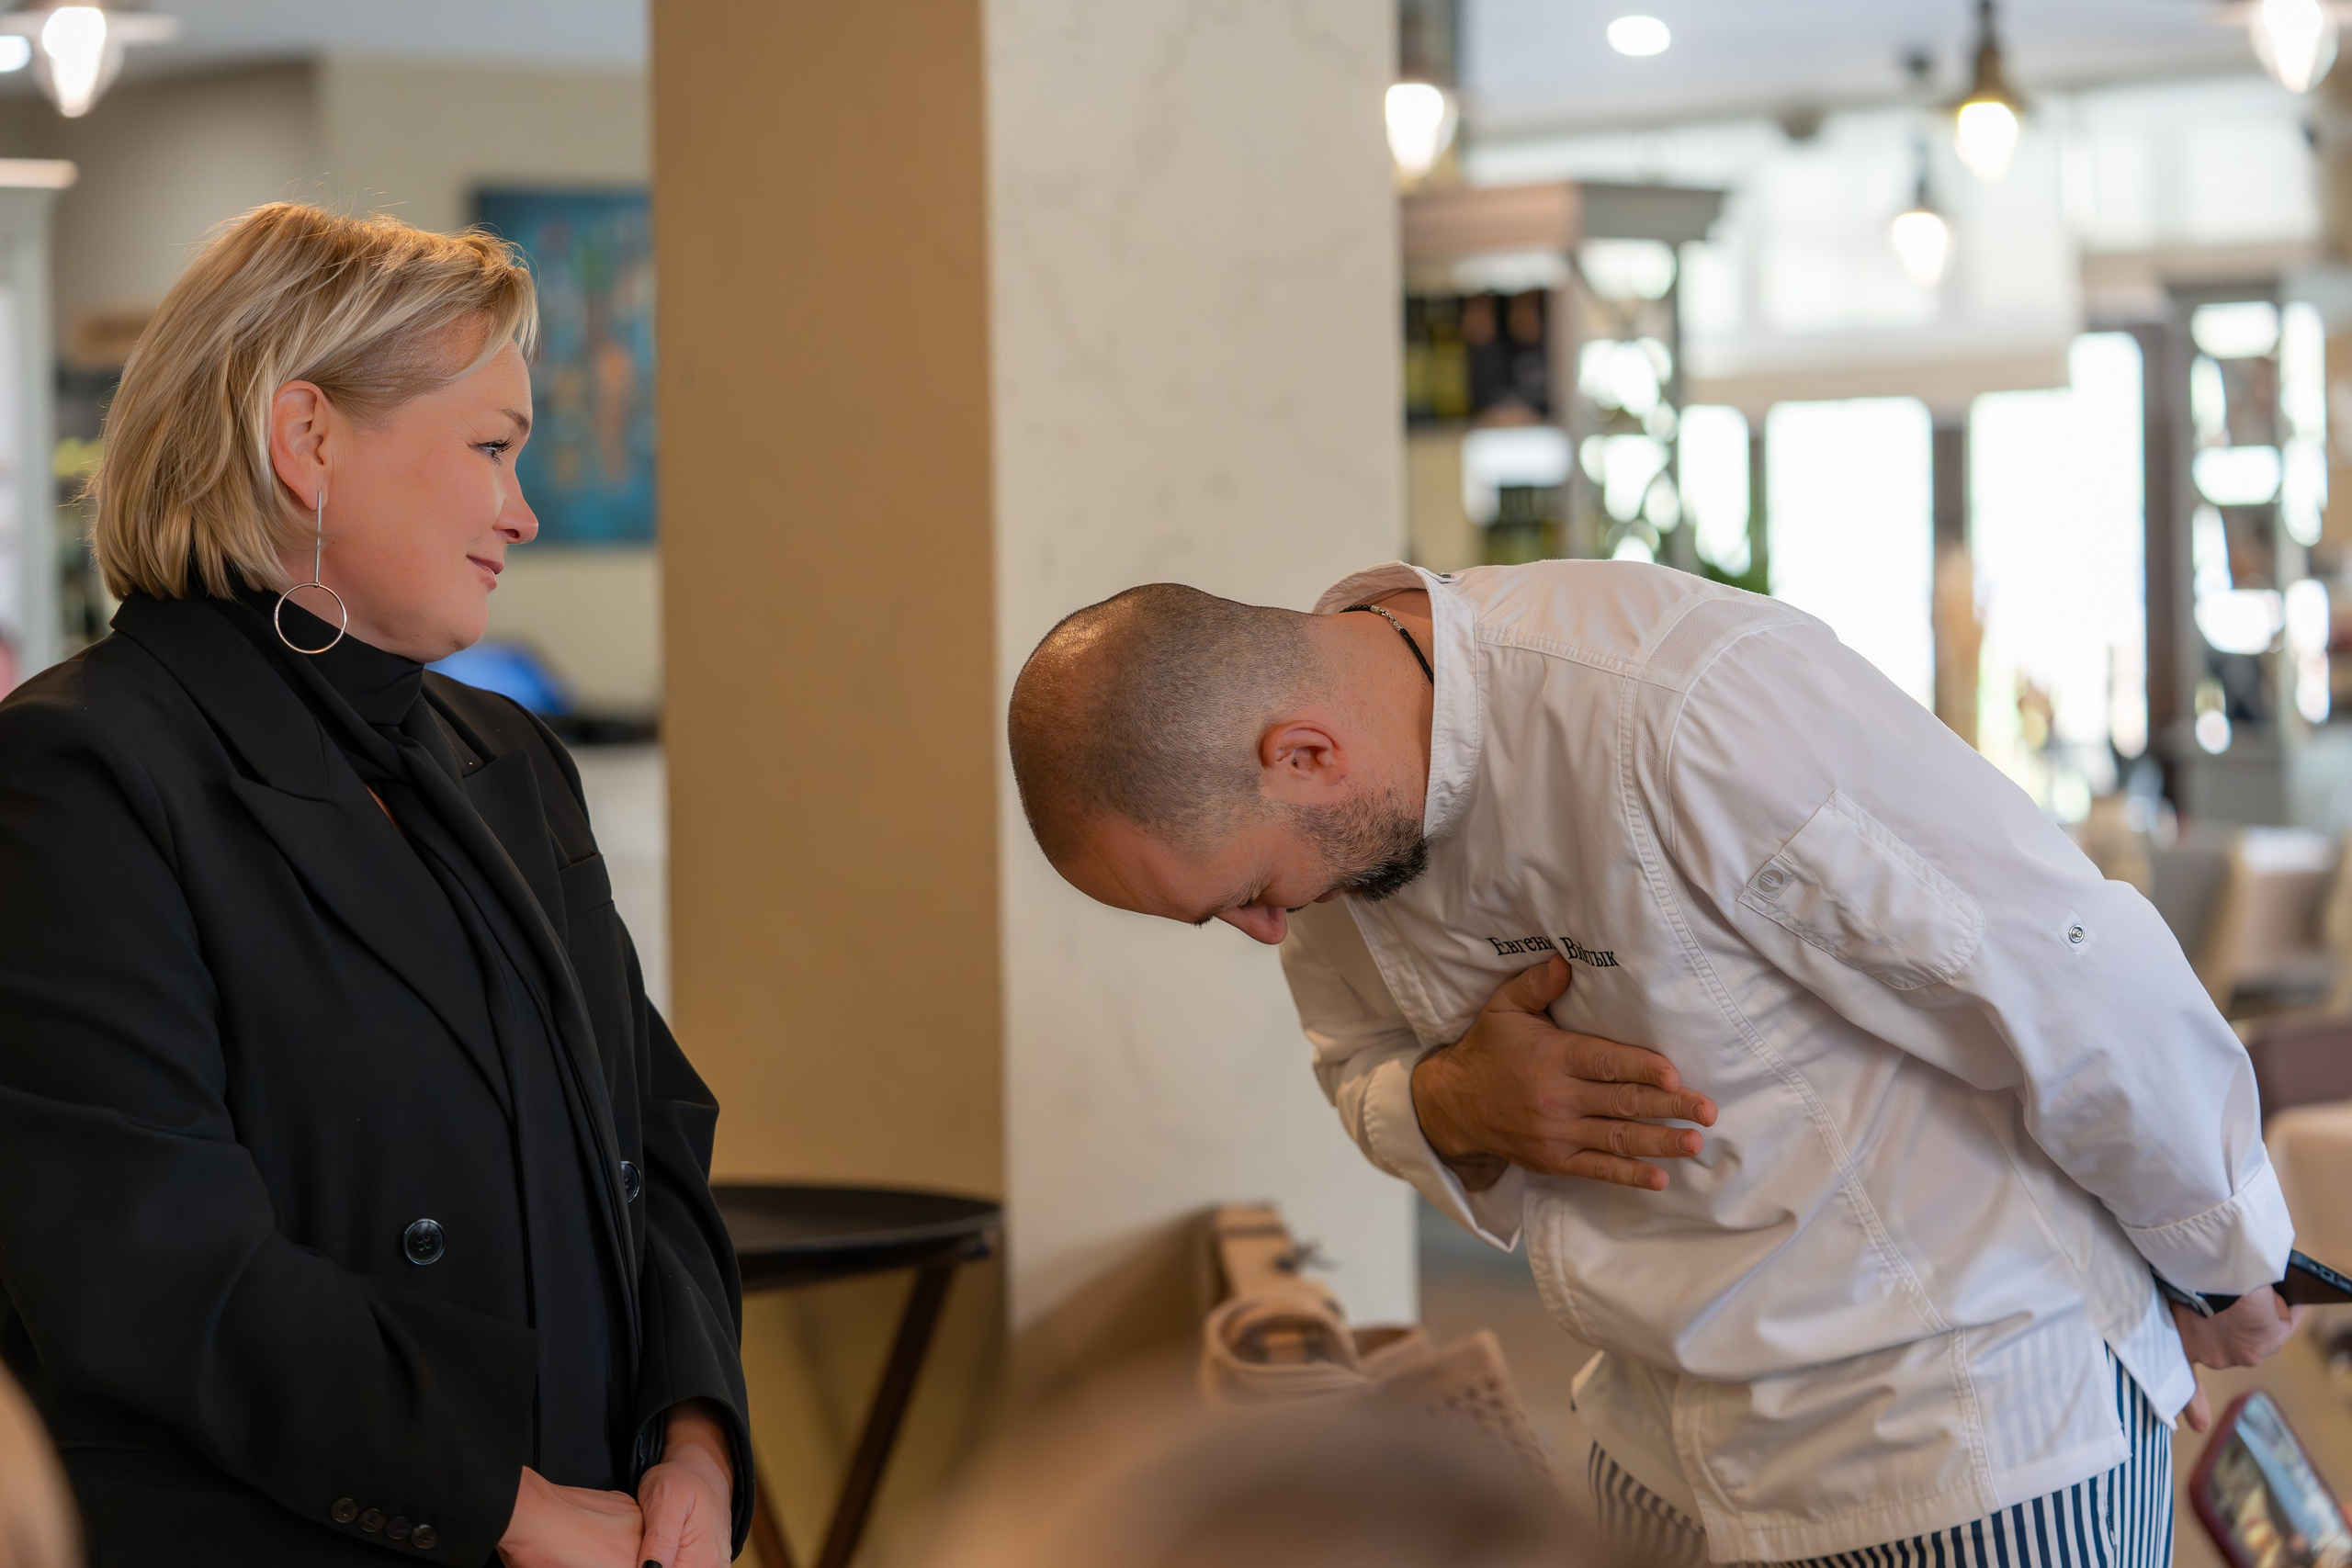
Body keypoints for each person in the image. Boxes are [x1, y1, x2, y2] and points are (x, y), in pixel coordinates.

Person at [1008, 559, 2301, 1567]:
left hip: (1958, 1432)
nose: (1265, 932)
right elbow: (1353, 1065)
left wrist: (2218, 1249)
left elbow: (2060, 975)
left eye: (1247, 893)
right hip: (1654, 1452)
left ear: (1304, 754)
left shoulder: (1681, 703)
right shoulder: (1324, 833)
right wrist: (1455, 1101)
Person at [0, 204, 748, 1568]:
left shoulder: (508, 754)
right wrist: (508, 1508)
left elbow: (653, 1131)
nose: (522, 510)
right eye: (492, 448)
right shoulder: (77, 769)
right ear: (309, 441)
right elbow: (146, 1259)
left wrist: (691, 1432)